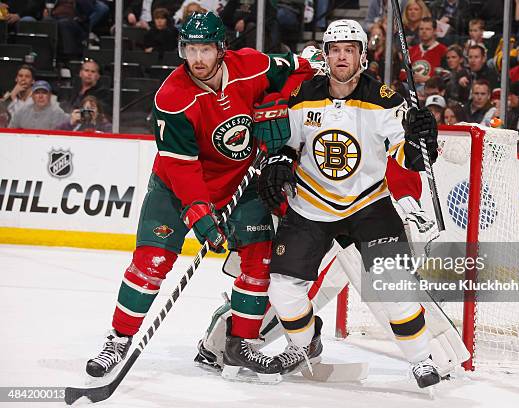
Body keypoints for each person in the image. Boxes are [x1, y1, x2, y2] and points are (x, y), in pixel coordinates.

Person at [85, 11, 313, 381]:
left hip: (240, 181)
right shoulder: (172, 97)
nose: (198, 60)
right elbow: (182, 167)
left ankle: (241, 344)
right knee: (151, 262)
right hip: (177, 188)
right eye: (190, 50)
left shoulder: (252, 66)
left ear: (222, 49)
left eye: (206, 49)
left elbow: (306, 67)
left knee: (259, 260)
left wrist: (276, 100)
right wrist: (198, 212)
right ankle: (119, 338)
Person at [258, 19, 441, 389]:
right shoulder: (304, 94)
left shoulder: (385, 98)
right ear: (326, 55)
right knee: (281, 288)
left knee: (396, 287)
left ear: (362, 56)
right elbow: (288, 145)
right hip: (311, 204)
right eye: (335, 50)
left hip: (369, 204)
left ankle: (421, 360)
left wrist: (423, 142)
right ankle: (304, 345)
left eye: (350, 50)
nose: (342, 56)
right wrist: (275, 161)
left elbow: (405, 155)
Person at [408, 17, 448, 86]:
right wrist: (412, 78)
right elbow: (402, 73)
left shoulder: (443, 50)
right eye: (421, 29)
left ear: (435, 31)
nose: (424, 31)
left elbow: (447, 75)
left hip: (433, 88)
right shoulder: (411, 51)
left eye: (428, 29)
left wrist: (429, 79)